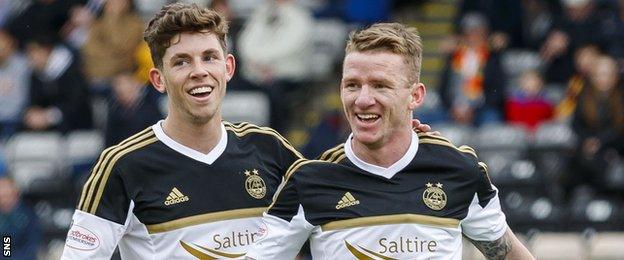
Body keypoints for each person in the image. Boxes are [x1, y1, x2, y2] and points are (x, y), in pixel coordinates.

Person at [247, 23, 533, 259]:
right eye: (352, 85)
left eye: (380, 86)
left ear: (415, 96)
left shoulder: (459, 170)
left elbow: (507, 253)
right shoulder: (310, 180)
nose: (363, 100)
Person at [59, 3, 304, 259]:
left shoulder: (270, 148)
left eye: (209, 57)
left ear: (228, 67)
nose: (199, 71)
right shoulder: (121, 166)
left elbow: (334, 224)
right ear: (158, 80)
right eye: (181, 62)